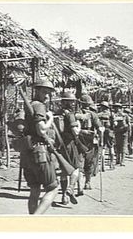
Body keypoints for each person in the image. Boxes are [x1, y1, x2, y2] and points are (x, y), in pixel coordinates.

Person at [22, 79, 59, 214]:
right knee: (53, 188)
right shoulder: (39, 106)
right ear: (36, 91)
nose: (47, 96)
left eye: (49, 93)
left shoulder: (30, 105)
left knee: (35, 190)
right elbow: (41, 129)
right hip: (40, 152)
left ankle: (32, 221)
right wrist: (50, 119)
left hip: (28, 153)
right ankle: (35, 219)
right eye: (44, 92)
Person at [57, 91, 82, 204]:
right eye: (72, 101)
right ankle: (70, 188)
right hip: (70, 144)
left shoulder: (57, 112)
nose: (73, 103)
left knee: (63, 171)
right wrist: (79, 126)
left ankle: (64, 197)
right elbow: (75, 132)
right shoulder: (70, 115)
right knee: (76, 168)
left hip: (60, 145)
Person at [76, 94, 103, 190]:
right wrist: (100, 137)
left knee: (79, 163)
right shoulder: (93, 115)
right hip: (90, 141)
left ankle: (79, 186)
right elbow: (99, 128)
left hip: (78, 140)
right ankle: (87, 182)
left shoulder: (76, 113)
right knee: (89, 162)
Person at [98, 101, 115, 170]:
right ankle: (111, 163)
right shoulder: (111, 114)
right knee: (111, 146)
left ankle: (102, 166)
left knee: (103, 147)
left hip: (101, 131)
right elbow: (113, 124)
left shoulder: (98, 114)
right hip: (108, 131)